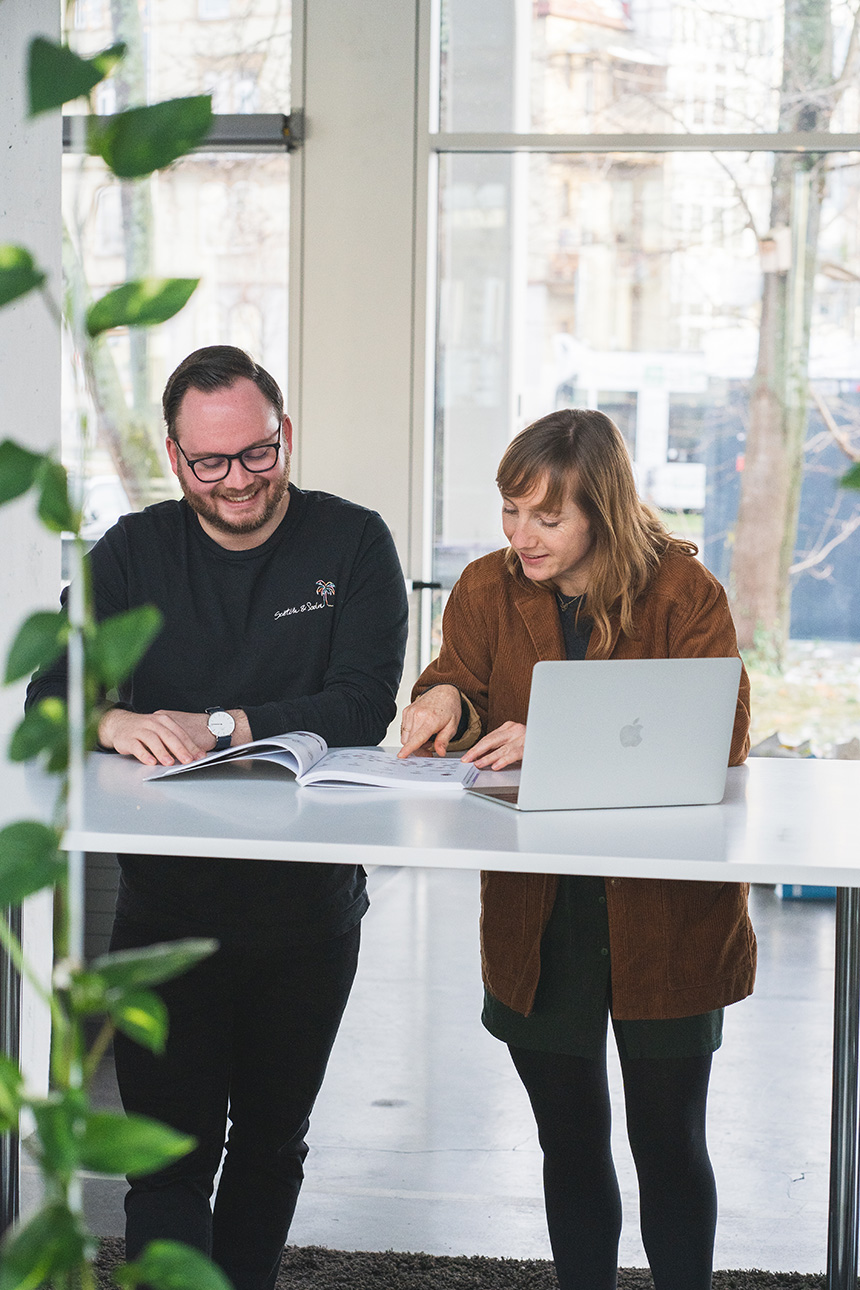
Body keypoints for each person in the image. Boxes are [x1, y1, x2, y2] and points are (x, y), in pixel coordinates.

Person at [27, 345, 408, 1290]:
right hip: (167, 915)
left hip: (309, 910)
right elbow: (50, 694)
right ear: (174, 456)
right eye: (212, 462)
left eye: (259, 453)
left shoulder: (353, 543)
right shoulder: (133, 552)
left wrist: (224, 724)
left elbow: (364, 703)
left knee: (273, 1144)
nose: (239, 480)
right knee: (165, 1155)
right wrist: (110, 717)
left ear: (286, 434)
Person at [399, 408, 755, 1290]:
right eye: (512, 512)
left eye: (546, 519)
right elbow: (460, 675)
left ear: (601, 509)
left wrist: (549, 734)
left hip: (665, 910)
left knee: (668, 1142)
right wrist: (442, 698)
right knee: (568, 1138)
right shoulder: (487, 587)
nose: (522, 536)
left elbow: (729, 732)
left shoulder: (684, 592)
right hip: (539, 911)